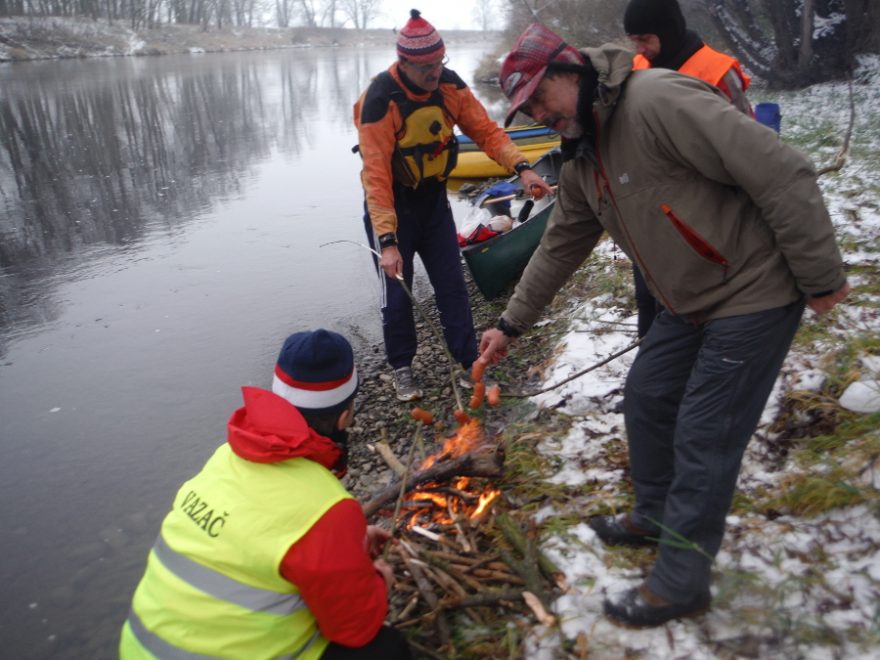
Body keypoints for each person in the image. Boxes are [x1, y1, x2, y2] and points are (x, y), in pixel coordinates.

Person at [479, 23, 849, 627]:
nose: (539, 116)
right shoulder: (582, 152)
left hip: (754, 288)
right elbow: (560, 244)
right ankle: (653, 515)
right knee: (647, 395)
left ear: (569, 73)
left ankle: (681, 583)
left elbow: (780, 171)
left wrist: (822, 276)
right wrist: (511, 326)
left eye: (540, 100)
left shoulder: (659, 101)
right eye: (526, 110)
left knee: (705, 435)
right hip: (687, 299)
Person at [120, 330, 411, 659]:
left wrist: (345, 546)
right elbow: (355, 628)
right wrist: (377, 583)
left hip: (137, 648)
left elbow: (260, 543)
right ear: (345, 417)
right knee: (386, 649)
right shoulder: (326, 508)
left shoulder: (224, 458)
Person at [354, 9, 553, 402]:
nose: (434, 72)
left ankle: (467, 363)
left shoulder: (449, 87)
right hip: (392, 204)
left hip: (431, 202)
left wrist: (523, 168)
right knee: (397, 291)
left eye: (439, 63)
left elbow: (487, 132)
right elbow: (374, 175)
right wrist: (387, 240)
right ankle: (403, 368)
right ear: (404, 63)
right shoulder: (380, 100)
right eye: (426, 66)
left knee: (451, 285)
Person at [624, 0, 753, 337]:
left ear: (668, 31)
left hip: (704, 211)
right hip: (650, 209)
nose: (639, 48)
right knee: (647, 297)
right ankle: (652, 371)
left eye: (645, 39)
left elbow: (749, 147)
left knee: (697, 301)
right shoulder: (638, 66)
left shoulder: (717, 71)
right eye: (634, 40)